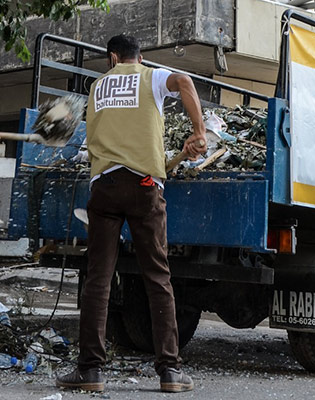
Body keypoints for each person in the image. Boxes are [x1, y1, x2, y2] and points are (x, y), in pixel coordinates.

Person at [56, 34, 206, 393]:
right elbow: (184, 81)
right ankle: (170, 371)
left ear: (112, 57)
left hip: (104, 187)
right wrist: (199, 132)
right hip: (144, 186)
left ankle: (90, 371)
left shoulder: (97, 87)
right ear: (138, 57)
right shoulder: (150, 76)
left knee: (98, 279)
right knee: (157, 277)